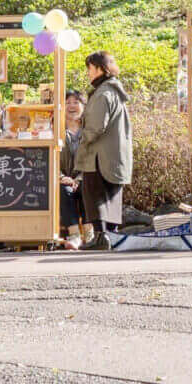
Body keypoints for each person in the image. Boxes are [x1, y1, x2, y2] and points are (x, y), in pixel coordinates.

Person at [77, 52, 133, 251]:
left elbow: (96, 126)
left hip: (99, 156)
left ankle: (101, 238)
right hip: (114, 156)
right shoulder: (114, 91)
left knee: (95, 194)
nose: (88, 74)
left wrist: (82, 141)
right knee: (111, 196)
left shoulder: (103, 93)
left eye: (90, 69)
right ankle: (111, 236)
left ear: (100, 68)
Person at [57, 89, 89, 249]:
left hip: (85, 177)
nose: (71, 106)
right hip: (64, 179)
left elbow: (95, 159)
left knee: (88, 187)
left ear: (83, 106)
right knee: (64, 191)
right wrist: (61, 177)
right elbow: (50, 159)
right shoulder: (56, 131)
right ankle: (74, 235)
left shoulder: (90, 131)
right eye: (67, 102)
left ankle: (90, 236)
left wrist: (79, 179)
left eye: (76, 102)